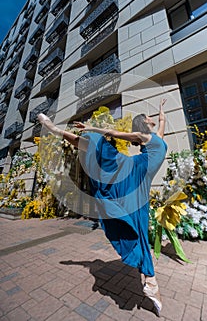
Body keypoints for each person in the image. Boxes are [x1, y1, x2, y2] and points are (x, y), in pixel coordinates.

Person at [37, 99, 167, 316]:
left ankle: (149, 279)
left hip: (141, 183)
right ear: (144, 123)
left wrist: (162, 108)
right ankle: (55, 130)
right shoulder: (145, 137)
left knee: (141, 228)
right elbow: (112, 132)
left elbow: (163, 120)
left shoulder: (158, 138)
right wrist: (91, 128)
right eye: (148, 116)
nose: (152, 118)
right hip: (134, 170)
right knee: (98, 143)